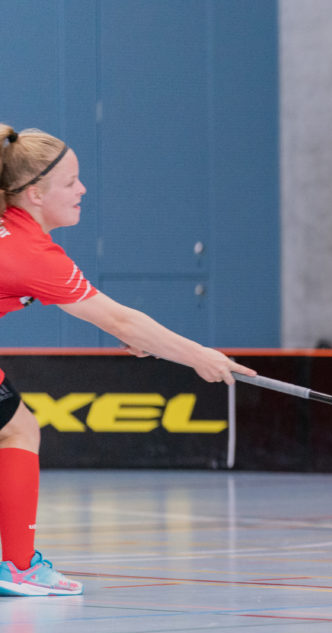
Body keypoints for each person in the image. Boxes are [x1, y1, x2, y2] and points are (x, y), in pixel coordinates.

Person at [0, 124, 254, 596]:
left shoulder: (14, 234)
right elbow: (121, 321)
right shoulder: (33, 253)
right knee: (18, 430)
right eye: (71, 181)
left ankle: (15, 565)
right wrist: (199, 356)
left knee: (17, 426)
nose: (83, 190)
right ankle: (16, 567)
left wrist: (156, 343)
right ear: (34, 194)